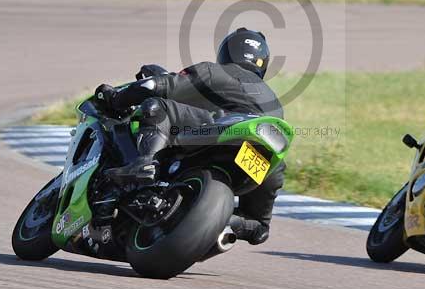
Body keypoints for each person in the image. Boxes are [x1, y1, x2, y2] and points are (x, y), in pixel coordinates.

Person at [94, 27, 283, 245]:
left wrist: (114, 98)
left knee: (157, 108)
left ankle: (146, 163)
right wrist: (257, 221)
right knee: (258, 220)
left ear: (228, 52)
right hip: (260, 151)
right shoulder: (274, 101)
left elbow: (155, 85)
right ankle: (244, 223)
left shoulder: (217, 71)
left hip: (227, 130)